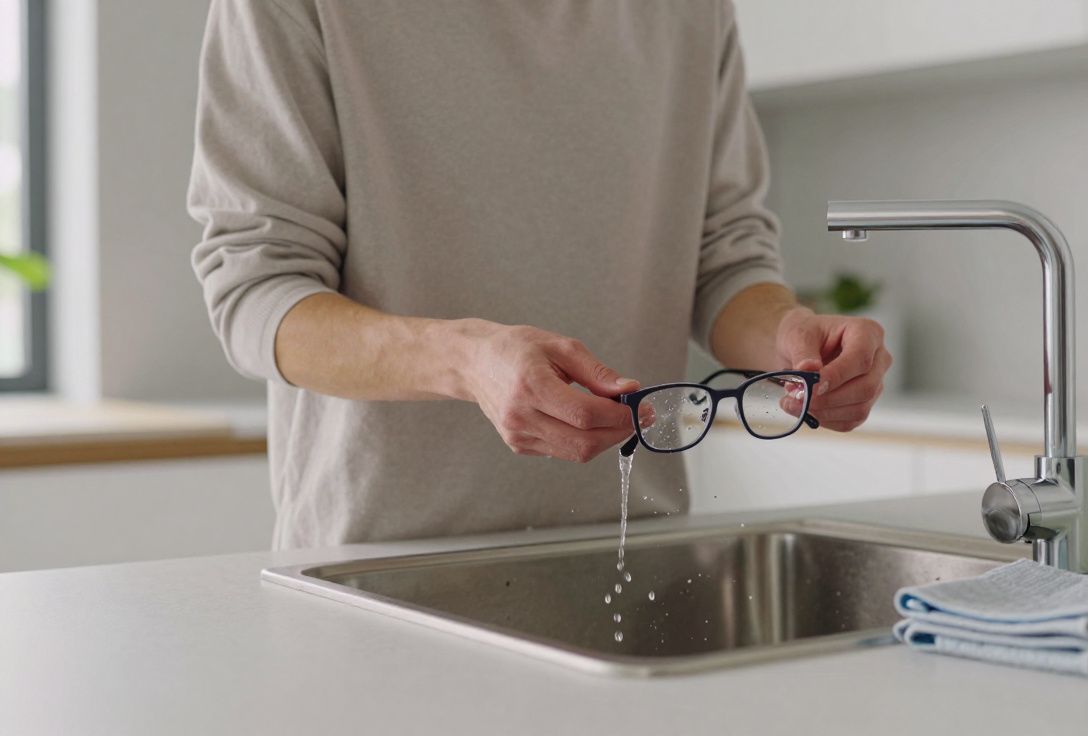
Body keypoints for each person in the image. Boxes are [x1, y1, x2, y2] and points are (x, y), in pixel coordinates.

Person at [188, 0, 892, 549]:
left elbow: (725, 256)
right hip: (377, 568)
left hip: (628, 549)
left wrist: (789, 339)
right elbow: (257, 292)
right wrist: (467, 363)